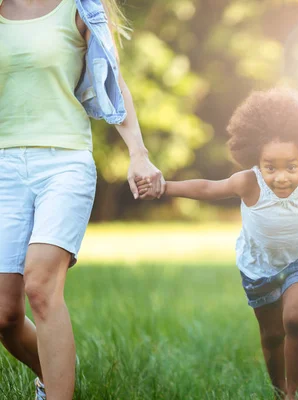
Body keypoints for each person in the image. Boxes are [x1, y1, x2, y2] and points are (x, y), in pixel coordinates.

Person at [137, 88, 298, 399]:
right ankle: (278, 391)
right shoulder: (249, 182)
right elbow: (208, 187)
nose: (281, 177)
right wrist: (164, 187)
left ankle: (294, 395)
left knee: (295, 318)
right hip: (257, 265)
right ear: (257, 160)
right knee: (272, 334)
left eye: (291, 166)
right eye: (270, 166)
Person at [0, 0, 163, 398]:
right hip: (3, 167)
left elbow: (112, 80)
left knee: (40, 285)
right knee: (4, 315)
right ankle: (53, 370)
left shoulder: (79, 8)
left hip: (64, 162)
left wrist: (138, 154)